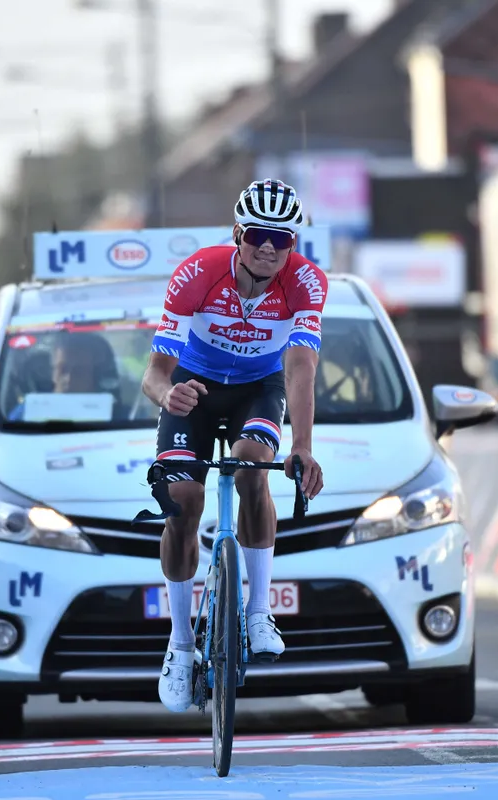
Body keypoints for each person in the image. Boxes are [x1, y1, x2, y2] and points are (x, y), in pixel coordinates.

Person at [140, 178, 327, 713]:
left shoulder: (306, 281)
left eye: (281, 238)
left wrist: (302, 445)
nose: (268, 248)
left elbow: (300, 366)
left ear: (293, 244)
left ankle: (258, 610)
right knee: (182, 502)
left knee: (252, 469)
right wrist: (168, 395)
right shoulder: (197, 272)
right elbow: (155, 372)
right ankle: (180, 645)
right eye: (257, 235)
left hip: (258, 389)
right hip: (194, 387)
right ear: (237, 235)